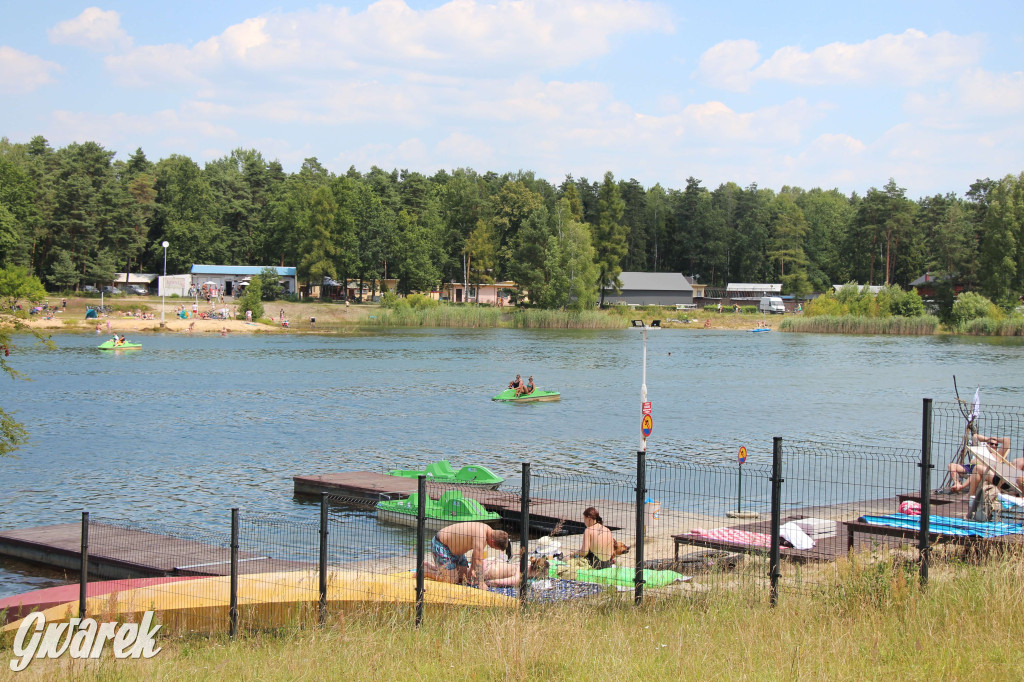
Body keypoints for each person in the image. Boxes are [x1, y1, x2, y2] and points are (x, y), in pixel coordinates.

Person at [426, 522, 509, 591]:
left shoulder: (487, 532)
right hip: (441, 544)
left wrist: (472, 568)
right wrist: (481, 583)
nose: (492, 548)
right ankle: (426, 572)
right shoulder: (481, 535)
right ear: (493, 541)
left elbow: (476, 554)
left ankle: (431, 567)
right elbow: (478, 560)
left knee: (462, 578)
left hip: (455, 551)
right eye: (494, 548)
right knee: (452, 580)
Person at [951, 434, 1023, 495]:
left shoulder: (998, 455)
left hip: (995, 475)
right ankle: (958, 484)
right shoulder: (982, 450)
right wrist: (988, 439)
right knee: (952, 466)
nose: (994, 445)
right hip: (971, 467)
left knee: (978, 468)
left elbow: (1006, 440)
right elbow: (975, 436)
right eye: (991, 443)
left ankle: (969, 493)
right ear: (987, 444)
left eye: (996, 444)